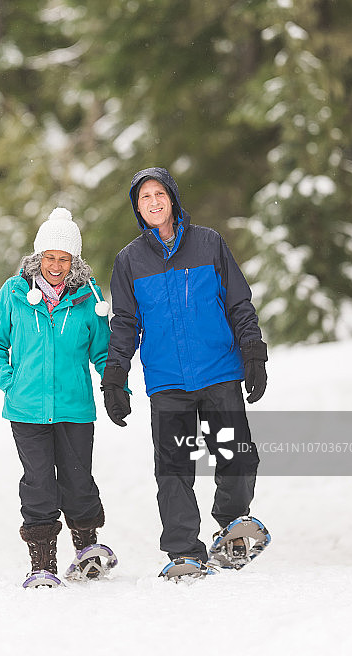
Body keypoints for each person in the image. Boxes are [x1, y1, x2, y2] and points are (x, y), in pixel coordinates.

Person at [100, 167, 268, 571]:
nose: (154, 201)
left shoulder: (209, 243)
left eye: (160, 193)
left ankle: (231, 525)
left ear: (172, 198)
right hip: (167, 380)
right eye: (145, 197)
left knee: (237, 457)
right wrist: (114, 377)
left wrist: (253, 351)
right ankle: (184, 551)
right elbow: (125, 323)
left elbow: (238, 303)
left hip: (219, 371)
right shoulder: (129, 261)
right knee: (174, 468)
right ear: (138, 208)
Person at [0, 207, 115, 587]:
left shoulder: (89, 297)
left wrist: (114, 385)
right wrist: (10, 380)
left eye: (64, 258)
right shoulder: (15, 291)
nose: (56, 265)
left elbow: (102, 352)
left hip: (75, 408)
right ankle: (43, 562)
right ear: (38, 257)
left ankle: (87, 548)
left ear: (74, 260)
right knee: (39, 483)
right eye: (50, 257)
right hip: (26, 409)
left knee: (77, 480)